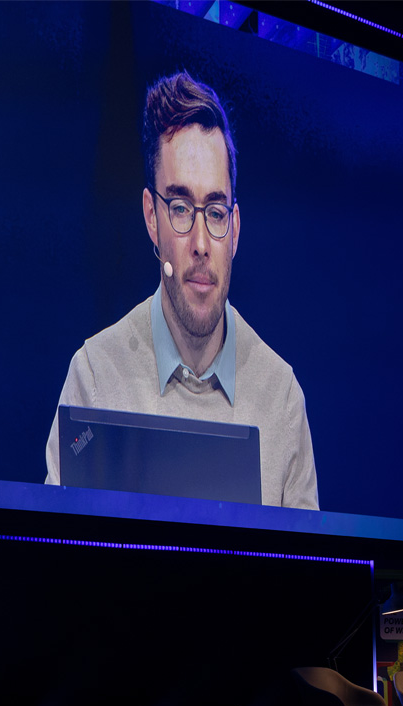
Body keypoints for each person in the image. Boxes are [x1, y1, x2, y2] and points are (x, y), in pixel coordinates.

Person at [44, 71, 318, 509]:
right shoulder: (94, 379)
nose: (201, 245)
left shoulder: (280, 398)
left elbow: (309, 576)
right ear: (151, 217)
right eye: (179, 208)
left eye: (214, 210)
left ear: (235, 230)